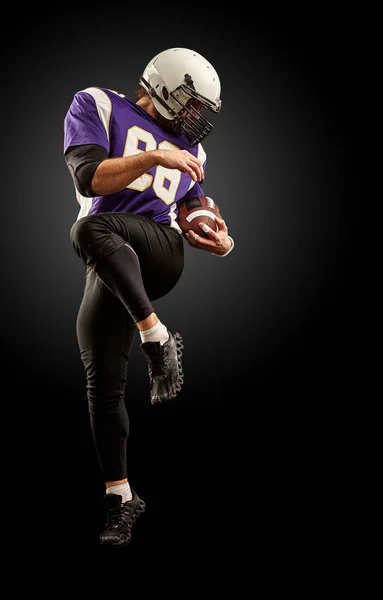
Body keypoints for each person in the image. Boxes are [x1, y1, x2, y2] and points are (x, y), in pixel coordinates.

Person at [63, 47, 235, 548]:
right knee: (101, 381)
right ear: (162, 86)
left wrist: (223, 240)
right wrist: (157, 154)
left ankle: (156, 338)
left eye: (202, 109)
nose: (195, 118)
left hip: (159, 253)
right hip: (113, 259)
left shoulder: (194, 153)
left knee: (89, 229)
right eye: (190, 102)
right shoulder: (97, 104)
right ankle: (121, 498)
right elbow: (88, 177)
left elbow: (196, 209)